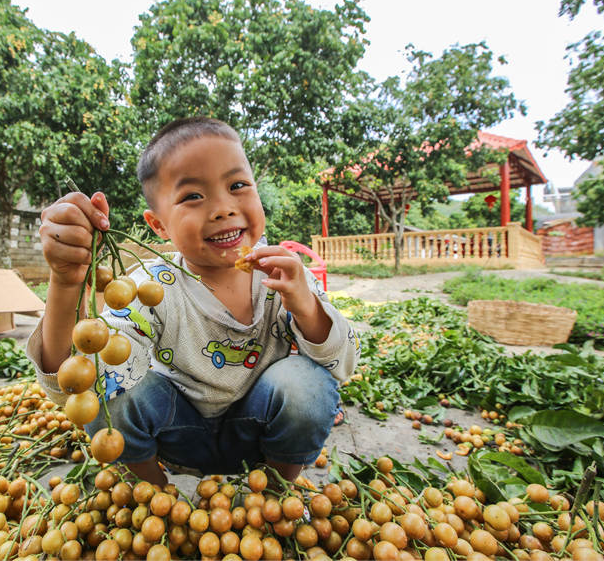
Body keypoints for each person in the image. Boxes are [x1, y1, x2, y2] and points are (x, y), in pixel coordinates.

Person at [29, 117, 359, 485]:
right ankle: (153, 498)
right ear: (159, 226)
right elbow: (74, 383)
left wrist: (306, 307)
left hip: (260, 436)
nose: (222, 208)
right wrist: (65, 282)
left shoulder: (284, 275)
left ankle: (277, 492)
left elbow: (343, 365)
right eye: (192, 196)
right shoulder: (150, 288)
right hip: (177, 434)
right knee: (113, 390)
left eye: (237, 185)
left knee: (307, 384)